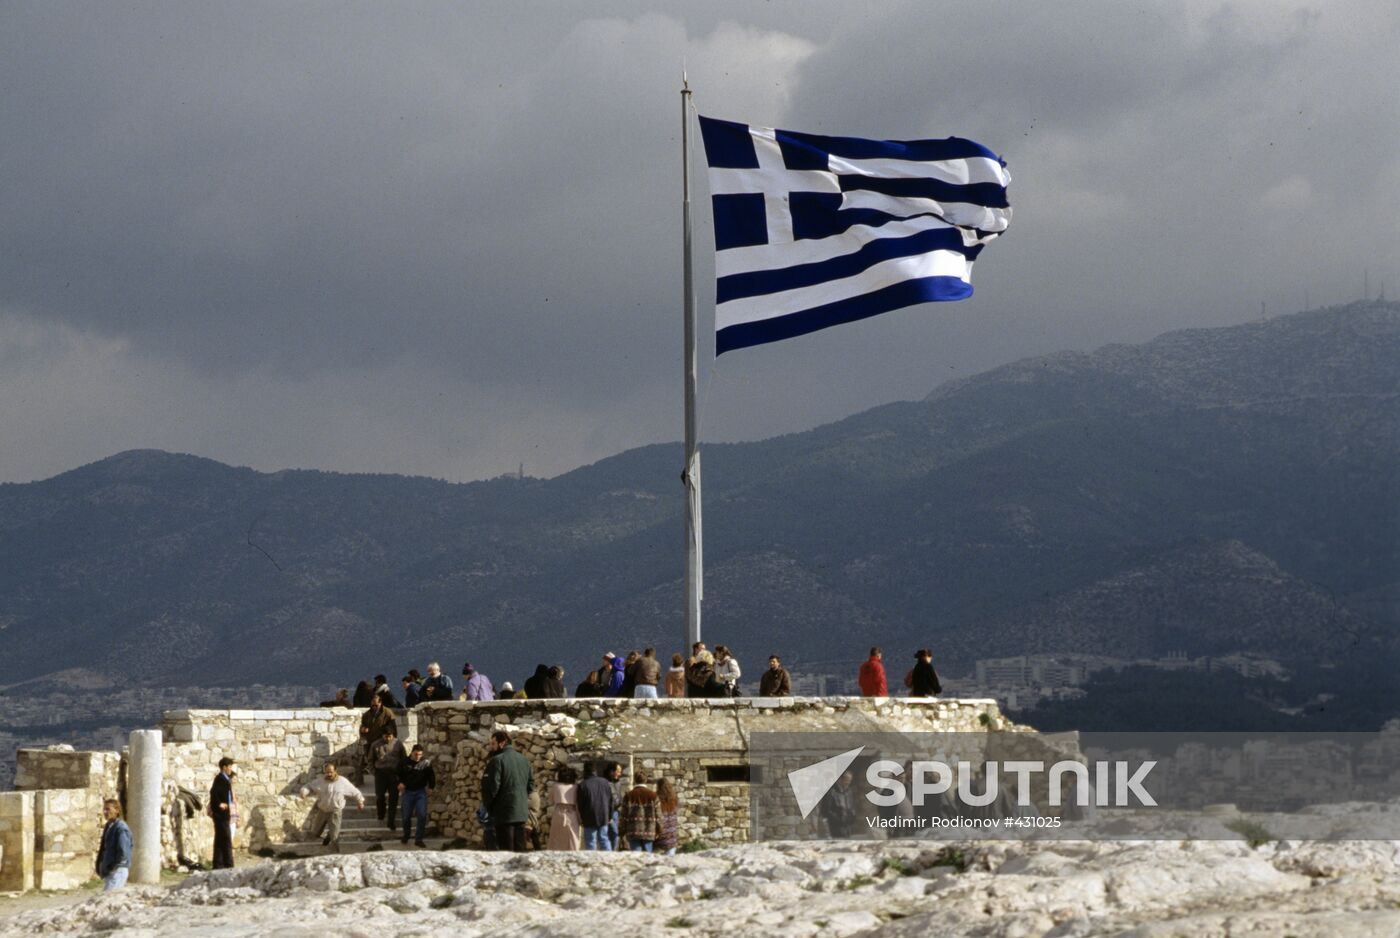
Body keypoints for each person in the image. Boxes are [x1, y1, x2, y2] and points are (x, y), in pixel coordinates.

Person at [480, 730, 533, 852]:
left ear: (502, 743)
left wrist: (488, 806)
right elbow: (531, 786)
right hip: (521, 813)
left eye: (493, 744)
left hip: (503, 814)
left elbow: (492, 787)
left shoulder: (497, 760)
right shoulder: (524, 760)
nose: (491, 747)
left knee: (506, 851)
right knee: (520, 850)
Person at [299, 762, 365, 847]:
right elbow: (309, 786)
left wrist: (360, 802)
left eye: (331, 772)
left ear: (335, 771)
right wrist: (303, 792)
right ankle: (327, 838)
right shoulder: (320, 781)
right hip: (322, 811)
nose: (329, 774)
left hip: (335, 812)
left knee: (335, 837)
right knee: (315, 832)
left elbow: (355, 792)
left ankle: (332, 847)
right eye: (327, 772)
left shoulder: (342, 781)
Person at [398, 744, 435, 846]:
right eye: (416, 754)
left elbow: (431, 776)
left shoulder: (425, 763)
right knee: (406, 816)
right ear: (411, 753)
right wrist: (399, 783)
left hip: (420, 792)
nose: (418, 757)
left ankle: (418, 839)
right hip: (408, 792)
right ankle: (406, 835)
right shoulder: (404, 762)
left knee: (422, 815)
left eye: (420, 755)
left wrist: (431, 787)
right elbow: (397, 775)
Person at [370, 727, 407, 831]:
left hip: (394, 774)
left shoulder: (398, 744)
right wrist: (374, 772)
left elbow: (403, 759)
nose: (388, 738)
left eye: (390, 736)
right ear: (382, 735)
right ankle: (381, 813)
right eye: (386, 736)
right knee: (380, 796)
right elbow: (370, 760)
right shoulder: (375, 744)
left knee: (393, 798)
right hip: (380, 774)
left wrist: (402, 775)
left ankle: (391, 821)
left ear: (393, 735)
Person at [576, 761, 616, 851]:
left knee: (590, 841)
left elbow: (580, 804)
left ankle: (592, 863)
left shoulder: (582, 785)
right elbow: (611, 801)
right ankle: (609, 861)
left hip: (589, 817)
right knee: (604, 839)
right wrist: (610, 816)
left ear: (585, 771)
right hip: (604, 815)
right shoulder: (605, 782)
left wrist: (582, 818)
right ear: (595, 771)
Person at [358, 693, 397, 783]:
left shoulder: (387, 713)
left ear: (380, 703)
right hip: (371, 742)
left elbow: (392, 727)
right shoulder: (367, 714)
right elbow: (362, 726)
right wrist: (363, 729)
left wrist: (390, 738)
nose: (374, 706)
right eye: (372, 704)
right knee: (373, 763)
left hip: (384, 742)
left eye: (376, 704)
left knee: (384, 761)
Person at [95, 798, 132, 891]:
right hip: (110, 871)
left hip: (118, 870)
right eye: (104, 809)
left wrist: (114, 866)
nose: (105, 812)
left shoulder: (121, 828)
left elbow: (123, 850)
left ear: (116, 810)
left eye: (108, 809)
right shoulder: (109, 826)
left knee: (107, 898)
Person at [620, 772, 661, 852]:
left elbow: (623, 816)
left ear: (635, 780)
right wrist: (659, 830)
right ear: (645, 781)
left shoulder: (628, 796)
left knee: (635, 858)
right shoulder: (653, 796)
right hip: (649, 831)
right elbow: (659, 816)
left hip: (633, 832)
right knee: (648, 858)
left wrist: (622, 831)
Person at [209, 756, 236, 869]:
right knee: (226, 839)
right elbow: (213, 793)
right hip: (221, 814)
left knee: (220, 840)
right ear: (224, 767)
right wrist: (219, 803)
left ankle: (218, 864)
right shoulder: (220, 778)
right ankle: (228, 865)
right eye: (229, 766)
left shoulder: (225, 779)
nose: (230, 769)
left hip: (224, 813)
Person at [547, 766, 581, 850]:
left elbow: (551, 800)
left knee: (556, 836)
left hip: (559, 812)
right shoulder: (575, 787)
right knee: (573, 836)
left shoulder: (556, 786)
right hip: (572, 812)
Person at [820, 770, 858, 838]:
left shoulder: (849, 792)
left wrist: (852, 817)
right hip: (835, 828)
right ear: (840, 779)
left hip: (848, 828)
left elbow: (852, 807)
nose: (848, 783)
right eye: (846, 780)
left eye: (850, 780)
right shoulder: (830, 792)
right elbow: (826, 811)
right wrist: (839, 820)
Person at [655, 777, 681, 856]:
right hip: (672, 836)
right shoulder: (674, 799)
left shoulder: (657, 799)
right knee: (670, 864)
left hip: (661, 835)